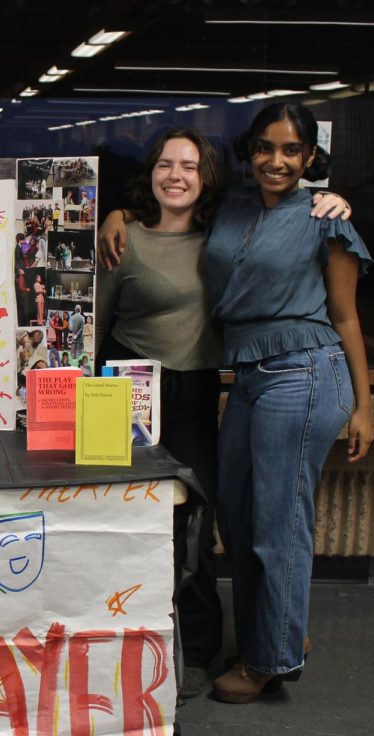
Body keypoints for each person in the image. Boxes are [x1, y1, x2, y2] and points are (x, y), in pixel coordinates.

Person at [207, 104, 372, 703]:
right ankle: (276, 632)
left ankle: (269, 659)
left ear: (310, 158)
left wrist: (364, 406)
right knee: (237, 513)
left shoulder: (328, 219)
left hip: (305, 371)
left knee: (280, 523)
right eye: (265, 147)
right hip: (249, 375)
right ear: (250, 151)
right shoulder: (232, 207)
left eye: (291, 150)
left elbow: (347, 316)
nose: (276, 161)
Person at [94, 128, 226, 698]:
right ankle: (113, 634)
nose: (176, 175)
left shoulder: (225, 239)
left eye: (189, 166)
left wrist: (331, 201)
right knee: (117, 517)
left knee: (190, 523)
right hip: (122, 388)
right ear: (150, 173)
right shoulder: (124, 240)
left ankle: (194, 649)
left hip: (193, 392)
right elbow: (95, 329)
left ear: (207, 178)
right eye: (165, 164)